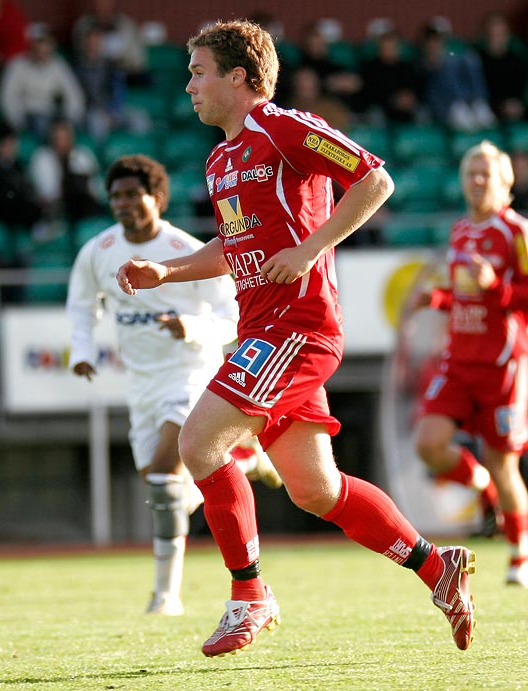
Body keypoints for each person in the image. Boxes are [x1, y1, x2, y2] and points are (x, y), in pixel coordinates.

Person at [116, 19, 476, 656]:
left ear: (239, 78)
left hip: (298, 329)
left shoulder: (283, 126)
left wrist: (312, 248)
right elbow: (238, 244)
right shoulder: (221, 159)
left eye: (199, 72)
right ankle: (434, 566)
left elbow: (374, 179)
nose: (189, 86)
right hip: (263, 330)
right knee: (317, 490)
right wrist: (165, 270)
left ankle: (249, 596)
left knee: (200, 443)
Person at [68, 154, 281, 617]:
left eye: (133, 195)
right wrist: (82, 351)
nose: (123, 204)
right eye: (116, 196)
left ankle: (166, 595)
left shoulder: (185, 248)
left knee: (165, 478)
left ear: (157, 198)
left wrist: (191, 326)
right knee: (158, 483)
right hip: (141, 385)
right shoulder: (98, 251)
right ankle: (239, 459)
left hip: (191, 375)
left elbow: (231, 317)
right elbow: (82, 306)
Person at [413, 140, 528, 586]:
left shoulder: (515, 232)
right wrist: (438, 299)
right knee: (430, 444)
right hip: (458, 360)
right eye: (470, 174)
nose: (477, 181)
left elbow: (512, 295)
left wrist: (496, 285)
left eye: (486, 174)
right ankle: (483, 488)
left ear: (505, 181)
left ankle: (519, 555)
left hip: (502, 365)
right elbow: (468, 294)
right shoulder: (461, 230)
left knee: (505, 463)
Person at [0, 22, 85, 141]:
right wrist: (18, 122)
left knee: (70, 128)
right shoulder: (17, 65)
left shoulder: (57, 64)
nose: (44, 48)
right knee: (45, 126)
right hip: (29, 117)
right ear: (32, 45)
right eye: (40, 43)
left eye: (47, 43)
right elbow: (7, 97)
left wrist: (71, 118)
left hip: (53, 114)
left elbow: (74, 93)